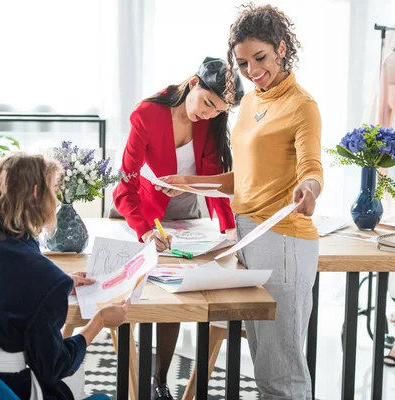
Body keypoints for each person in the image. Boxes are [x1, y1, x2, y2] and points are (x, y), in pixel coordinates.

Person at [159, 4, 323, 400]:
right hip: (248, 234)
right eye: (243, 62)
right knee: (263, 360)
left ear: (282, 49)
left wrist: (310, 189)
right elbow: (245, 179)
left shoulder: (302, 106)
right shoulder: (251, 103)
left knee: (280, 371)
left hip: (284, 239)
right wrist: (190, 182)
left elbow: (311, 167)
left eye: (260, 58)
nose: (252, 71)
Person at [109, 57, 244, 399]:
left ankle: (160, 382)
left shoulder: (211, 123)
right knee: (155, 289)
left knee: (180, 287)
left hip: (187, 213)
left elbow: (213, 180)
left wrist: (228, 229)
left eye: (219, 111)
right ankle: (142, 375)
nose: (210, 114)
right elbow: (123, 188)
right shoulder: (147, 114)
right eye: (208, 104)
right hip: (146, 212)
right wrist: (145, 231)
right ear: (194, 83)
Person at [0, 152, 129, 400]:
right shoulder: (45, 277)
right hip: (9, 390)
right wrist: (98, 322)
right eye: (53, 191)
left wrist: (58, 283)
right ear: (35, 193)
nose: (55, 200)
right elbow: (54, 366)